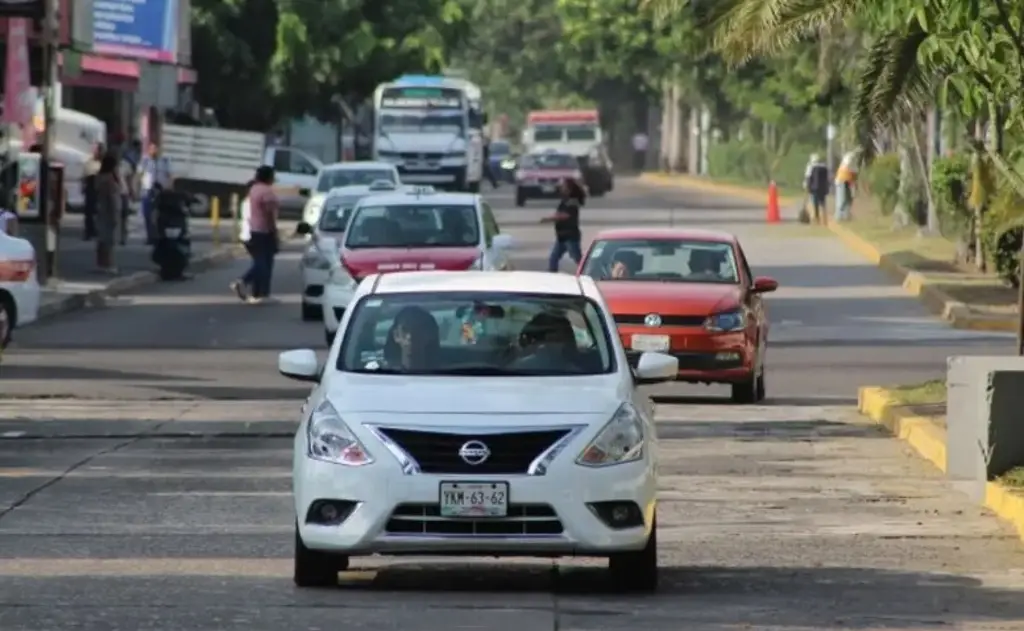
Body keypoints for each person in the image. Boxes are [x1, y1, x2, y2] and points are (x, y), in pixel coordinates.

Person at [231, 166, 278, 303]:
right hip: (264, 230)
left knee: (261, 261)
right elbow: (269, 214)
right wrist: (273, 230)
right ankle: (245, 281)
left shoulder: (254, 189)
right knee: (263, 263)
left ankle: (258, 293)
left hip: (254, 230)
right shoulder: (266, 191)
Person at [540, 178, 585, 273]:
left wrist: (550, 218)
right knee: (554, 258)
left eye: (563, 186)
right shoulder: (565, 200)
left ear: (569, 188)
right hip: (562, 236)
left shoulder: (572, 202)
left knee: (578, 259)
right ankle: (552, 275)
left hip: (571, 236)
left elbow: (566, 215)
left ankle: (588, 273)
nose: (561, 187)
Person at [137, 142, 173, 244]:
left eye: (155, 149)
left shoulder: (164, 161)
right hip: (147, 191)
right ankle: (150, 237)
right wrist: (136, 188)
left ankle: (160, 236)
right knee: (147, 215)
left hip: (160, 191)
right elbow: (139, 175)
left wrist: (169, 187)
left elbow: (170, 175)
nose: (154, 151)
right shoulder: (145, 161)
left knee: (160, 215)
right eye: (152, 149)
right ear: (149, 150)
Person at [94, 154, 121, 274]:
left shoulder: (99, 177)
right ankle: (108, 264)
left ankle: (100, 263)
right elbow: (112, 197)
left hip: (100, 210)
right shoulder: (110, 179)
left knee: (101, 238)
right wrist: (115, 214)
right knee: (109, 239)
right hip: (109, 211)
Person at [82, 143, 103, 240]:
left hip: (99, 187)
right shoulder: (88, 162)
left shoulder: (102, 163)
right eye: (94, 149)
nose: (95, 152)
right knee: (88, 211)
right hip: (90, 186)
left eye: (97, 150)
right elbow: (84, 175)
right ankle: (88, 231)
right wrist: (83, 186)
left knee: (99, 210)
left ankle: (98, 230)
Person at [804, 153, 830, 224]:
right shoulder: (824, 167)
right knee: (823, 203)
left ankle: (816, 218)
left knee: (815, 204)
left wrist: (808, 187)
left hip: (814, 188)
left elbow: (809, 178)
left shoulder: (811, 167)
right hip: (823, 188)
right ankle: (825, 218)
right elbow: (827, 179)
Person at [834, 151, 859, 222]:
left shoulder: (853, 163)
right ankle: (838, 216)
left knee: (849, 199)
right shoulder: (848, 161)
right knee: (842, 199)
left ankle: (846, 215)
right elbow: (851, 170)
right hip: (841, 181)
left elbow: (854, 177)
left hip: (848, 182)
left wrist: (854, 186)